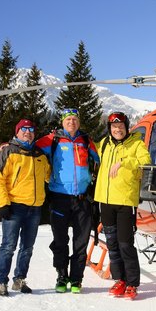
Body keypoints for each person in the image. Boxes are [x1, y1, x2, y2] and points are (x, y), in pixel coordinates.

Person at [36, 108, 99, 294]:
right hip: (59, 197)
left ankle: (77, 278)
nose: (71, 122)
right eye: (68, 119)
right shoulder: (53, 140)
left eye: (74, 119)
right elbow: (29, 147)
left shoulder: (86, 141)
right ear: (62, 122)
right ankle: (62, 275)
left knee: (81, 242)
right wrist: (8, 146)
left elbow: (102, 159)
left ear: (79, 122)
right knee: (60, 240)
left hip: (82, 198)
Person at [93, 112, 151, 300]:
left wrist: (125, 162)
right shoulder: (104, 145)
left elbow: (146, 161)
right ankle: (120, 280)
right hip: (105, 201)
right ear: (109, 129)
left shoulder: (136, 144)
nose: (117, 130)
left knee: (125, 243)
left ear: (126, 127)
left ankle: (132, 283)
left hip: (125, 202)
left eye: (121, 127)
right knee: (112, 243)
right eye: (114, 127)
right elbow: (86, 149)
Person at [0, 119, 51, 296]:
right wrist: (3, 204)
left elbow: (49, 175)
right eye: (24, 129)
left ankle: (19, 279)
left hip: (35, 208)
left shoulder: (39, 154)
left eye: (31, 129)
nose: (28, 132)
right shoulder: (8, 151)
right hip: (14, 207)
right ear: (17, 132)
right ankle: (1, 281)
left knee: (27, 247)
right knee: (9, 246)